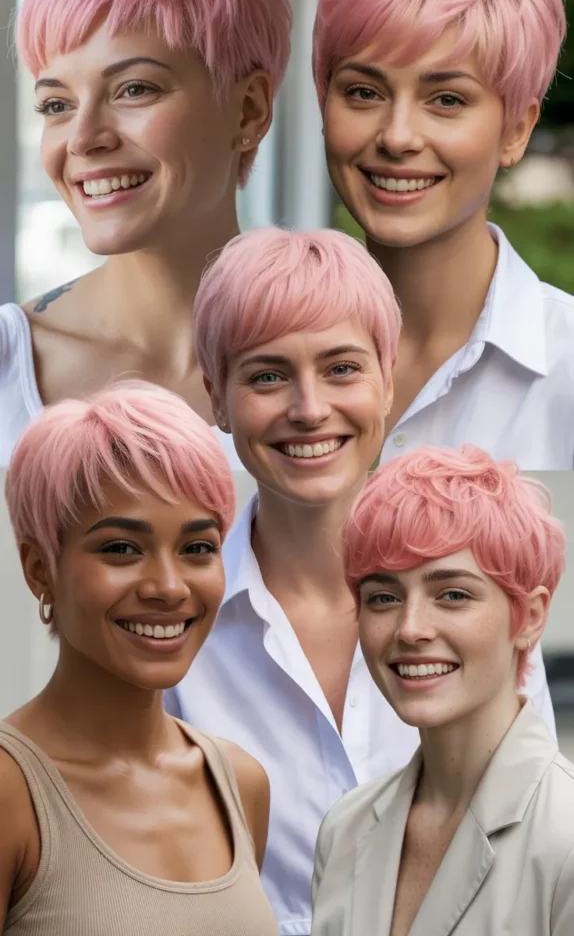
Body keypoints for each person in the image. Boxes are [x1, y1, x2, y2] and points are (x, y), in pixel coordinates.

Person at [166, 226, 555, 936]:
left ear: (388, 380)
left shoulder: (485, 605)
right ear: (215, 396)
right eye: (266, 375)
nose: (309, 408)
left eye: (342, 369)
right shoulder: (171, 620)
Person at [0, 0, 291, 468]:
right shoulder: (7, 365)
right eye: (56, 105)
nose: (83, 139)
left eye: (134, 89)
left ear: (249, 108)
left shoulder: (358, 375)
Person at [0, 382, 278, 936]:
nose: (169, 588)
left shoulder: (240, 783)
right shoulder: (11, 792)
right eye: (121, 549)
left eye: (197, 548)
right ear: (39, 570)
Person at [313, 0, 574, 468]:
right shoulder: (242, 358)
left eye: (447, 100)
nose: (398, 136)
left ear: (517, 131)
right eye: (363, 92)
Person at [311, 446, 574, 935]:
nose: (410, 629)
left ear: (531, 617)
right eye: (383, 597)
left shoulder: (566, 836)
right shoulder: (344, 828)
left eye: (452, 594)